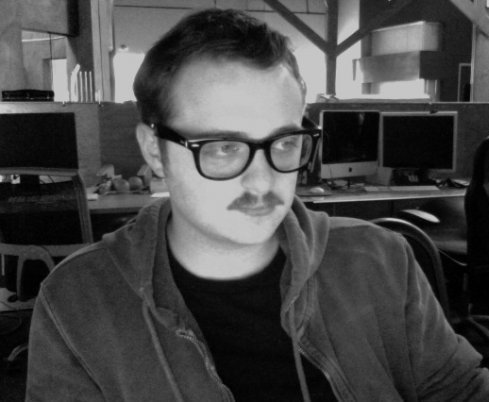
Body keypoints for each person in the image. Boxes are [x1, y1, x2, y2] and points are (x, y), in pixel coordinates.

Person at [26, 8, 489, 402]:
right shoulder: (78, 302)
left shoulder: (380, 262)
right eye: (223, 147)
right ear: (154, 150)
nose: (263, 180)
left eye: (284, 142)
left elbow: (460, 390)